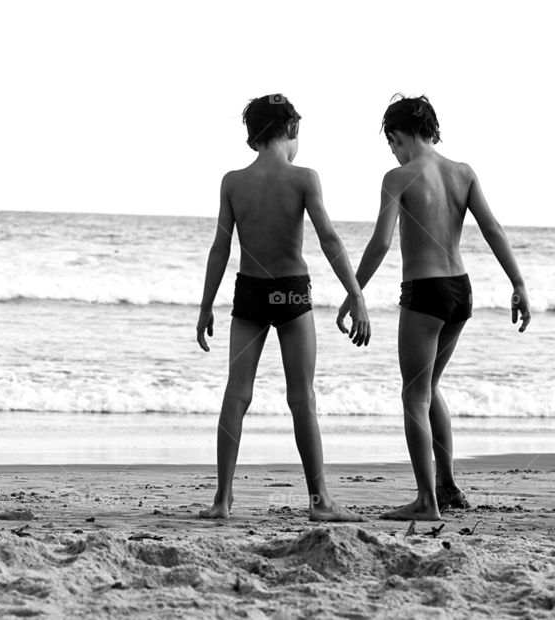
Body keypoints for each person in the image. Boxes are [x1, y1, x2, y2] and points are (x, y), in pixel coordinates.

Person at [336, 95, 532, 521]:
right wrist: (518, 283)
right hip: (461, 292)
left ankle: (426, 501)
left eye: (392, 143)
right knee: (431, 388)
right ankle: (446, 486)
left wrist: (355, 291)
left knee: (413, 394)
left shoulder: (398, 177)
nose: (393, 152)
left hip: (424, 293)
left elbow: (382, 242)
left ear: (398, 135)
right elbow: (493, 229)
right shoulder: (463, 172)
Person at [196, 93, 369, 521]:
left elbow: (221, 248)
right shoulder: (305, 178)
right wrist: (357, 295)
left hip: (250, 295)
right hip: (292, 294)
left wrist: (205, 307)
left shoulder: (232, 182)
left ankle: (222, 501)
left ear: (252, 137)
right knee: (302, 399)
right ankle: (320, 502)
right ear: (291, 129)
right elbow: (329, 239)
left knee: (236, 395)